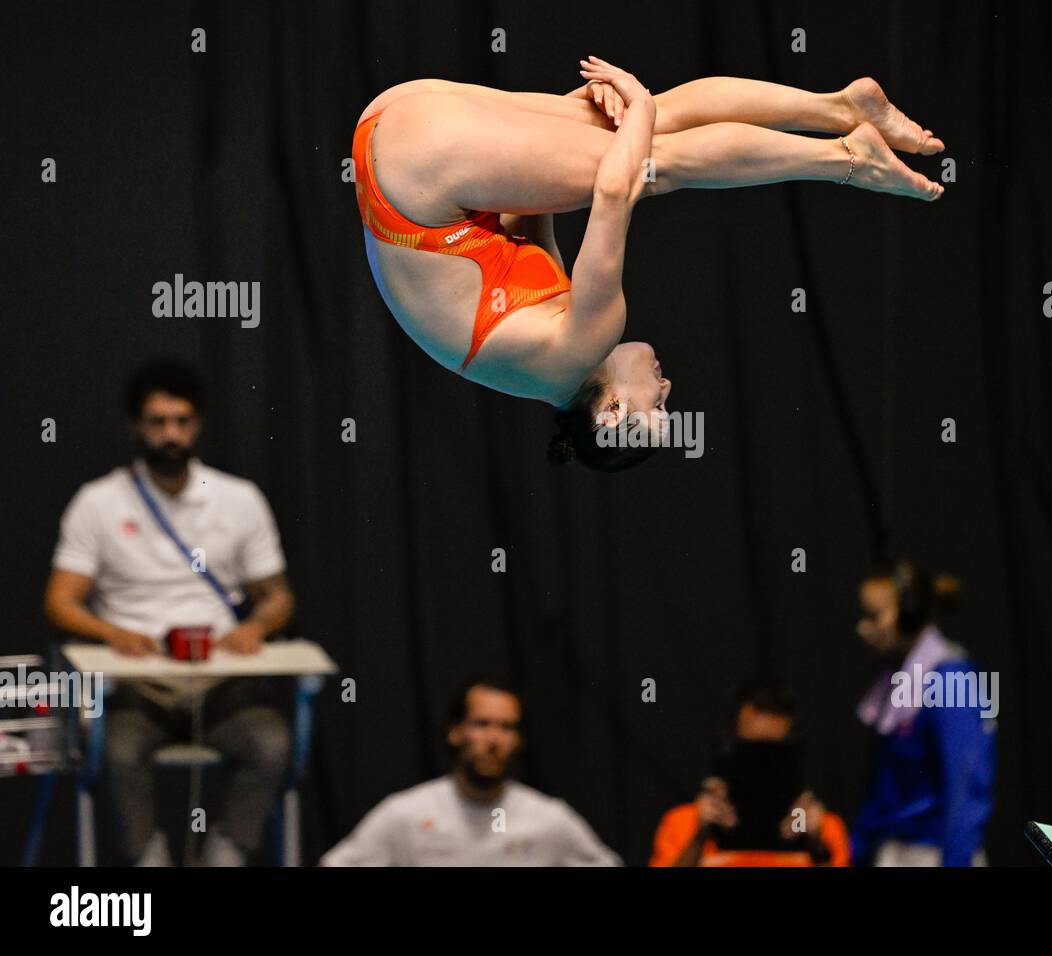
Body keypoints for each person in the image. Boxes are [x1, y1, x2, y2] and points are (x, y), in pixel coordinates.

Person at [354, 58, 945, 470]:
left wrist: (633, 107)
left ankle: (847, 156)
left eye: (656, 404)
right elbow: (524, 214)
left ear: (611, 413)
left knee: (657, 163)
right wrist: (607, 121)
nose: (665, 385)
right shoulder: (541, 367)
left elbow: (616, 189)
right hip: (392, 128)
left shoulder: (585, 343)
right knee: (645, 127)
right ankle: (840, 106)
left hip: (422, 165)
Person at [44, 360, 296, 866]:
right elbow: (60, 601)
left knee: (271, 743)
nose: (170, 434)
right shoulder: (98, 502)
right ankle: (148, 858)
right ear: (136, 427)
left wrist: (255, 627)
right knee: (115, 752)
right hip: (139, 684)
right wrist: (112, 633)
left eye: (181, 422)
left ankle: (226, 850)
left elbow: (278, 596)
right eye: (157, 422)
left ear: (197, 425)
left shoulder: (239, 498)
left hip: (221, 680)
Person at [321, 677, 620, 866]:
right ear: (455, 731)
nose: (493, 740)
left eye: (507, 728)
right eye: (482, 724)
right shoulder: (406, 815)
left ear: (518, 740)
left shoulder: (548, 820)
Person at [851, 560, 996, 866]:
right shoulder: (894, 679)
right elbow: (884, 791)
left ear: (909, 615)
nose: (862, 628)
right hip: (894, 851)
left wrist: (955, 862)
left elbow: (967, 786)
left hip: (935, 854)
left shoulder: (951, 678)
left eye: (873, 616)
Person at [649, 681, 850, 866]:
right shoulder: (684, 823)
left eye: (773, 755)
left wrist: (816, 845)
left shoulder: (824, 828)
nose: (761, 767)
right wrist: (700, 837)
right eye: (751, 752)